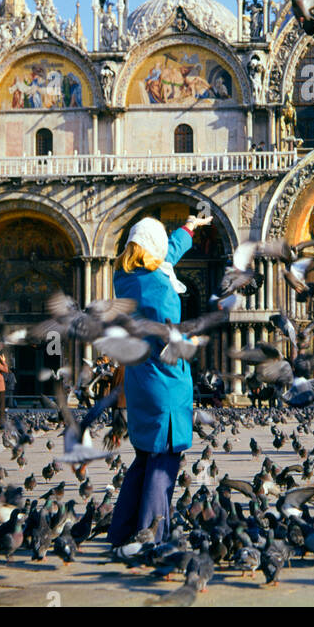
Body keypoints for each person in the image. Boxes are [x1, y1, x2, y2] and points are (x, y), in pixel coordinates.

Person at [107, 212, 212, 555]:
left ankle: (122, 531)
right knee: (164, 462)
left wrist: (188, 228)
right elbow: (170, 335)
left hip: (140, 382)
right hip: (164, 382)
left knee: (144, 457)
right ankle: (152, 537)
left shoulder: (127, 275)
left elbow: (165, 256)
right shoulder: (159, 287)